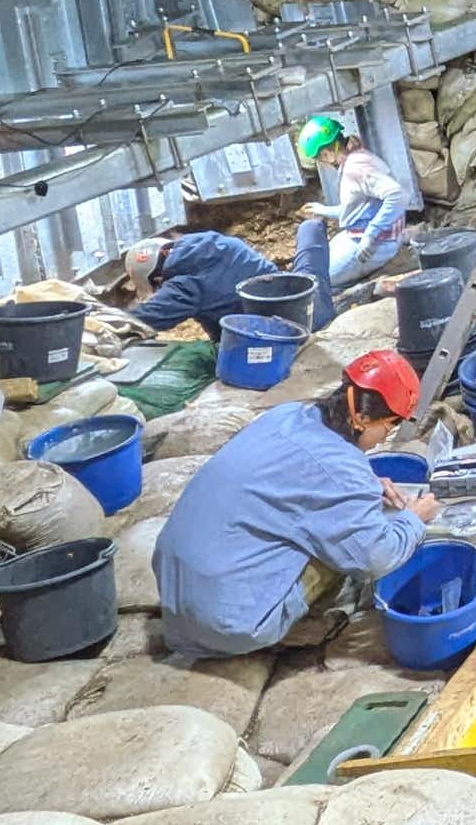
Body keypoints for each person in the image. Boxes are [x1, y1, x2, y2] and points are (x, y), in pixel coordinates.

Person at [153, 349, 438, 660]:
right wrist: (413, 518)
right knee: (345, 550)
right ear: (362, 417)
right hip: (227, 621)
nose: (386, 438)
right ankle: (287, 626)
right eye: (389, 426)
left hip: (174, 593)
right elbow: (376, 557)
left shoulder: (286, 415)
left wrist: (367, 484)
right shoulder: (341, 472)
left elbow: (300, 477)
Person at [296, 113, 411, 290]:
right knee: (319, 261)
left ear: (327, 154)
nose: (323, 162)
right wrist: (323, 210)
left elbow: (398, 195)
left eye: (320, 158)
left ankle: (352, 290)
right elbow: (358, 209)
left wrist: (371, 234)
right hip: (361, 234)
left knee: (314, 282)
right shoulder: (356, 156)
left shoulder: (355, 168)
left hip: (375, 244)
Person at [118, 230, 279, 342]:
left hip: (257, 335)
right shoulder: (216, 242)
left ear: (156, 277)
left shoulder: (186, 285)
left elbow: (147, 318)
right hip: (288, 305)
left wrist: (107, 322)